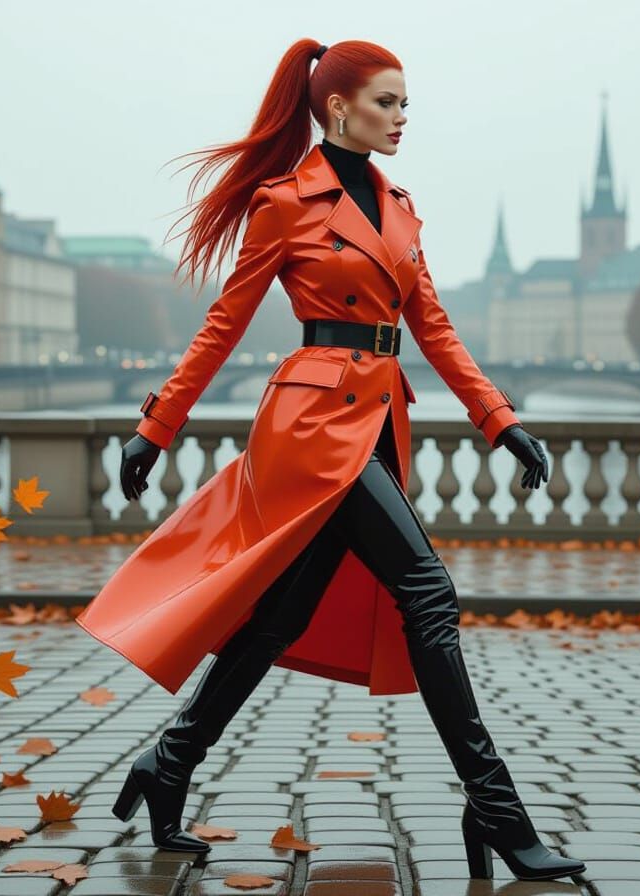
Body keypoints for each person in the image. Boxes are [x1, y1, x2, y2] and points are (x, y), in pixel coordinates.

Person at [76, 38, 587, 883]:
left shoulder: (400, 207)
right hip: (313, 429)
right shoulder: (287, 202)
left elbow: (435, 331)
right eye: (387, 102)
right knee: (429, 592)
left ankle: (167, 764)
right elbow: (225, 323)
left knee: (278, 620)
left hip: (375, 423)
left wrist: (499, 421)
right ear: (338, 107)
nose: (401, 118)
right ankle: (496, 809)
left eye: (406, 104)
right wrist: (157, 425)